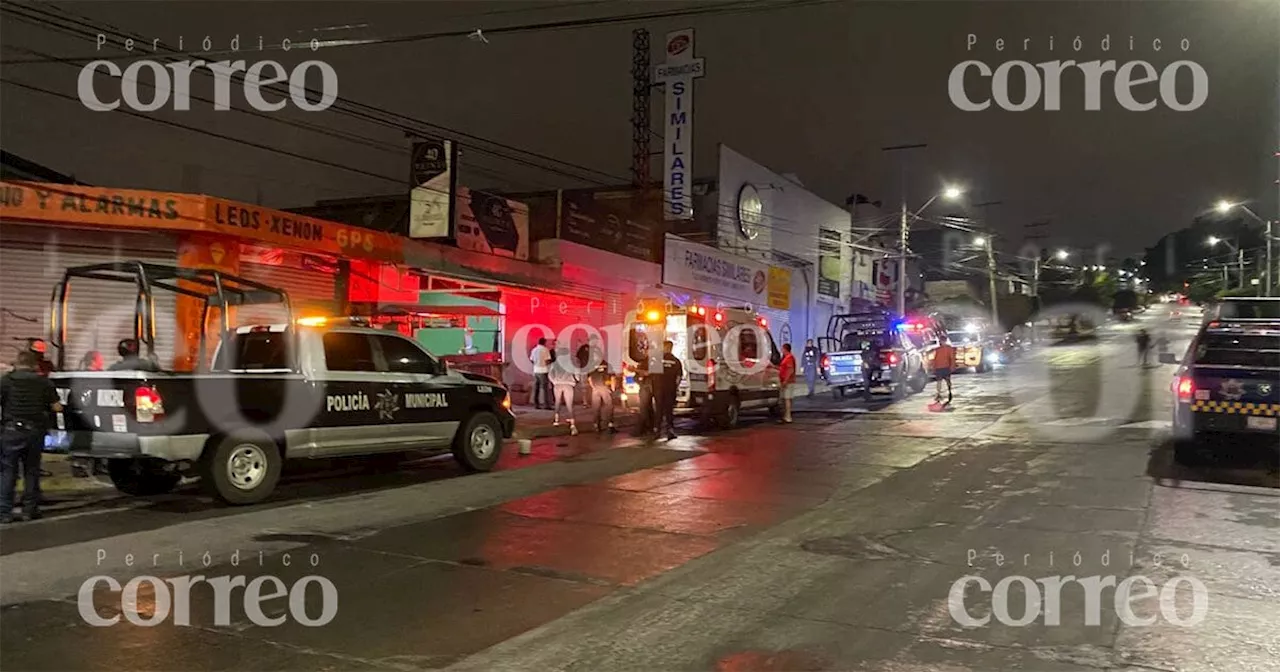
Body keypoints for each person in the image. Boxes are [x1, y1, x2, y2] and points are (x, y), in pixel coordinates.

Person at [0, 350, 62, 523]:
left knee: (7, 472)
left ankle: (4, 512)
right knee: (31, 471)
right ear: (35, 365)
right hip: (34, 431)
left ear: (16, 363)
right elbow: (57, 407)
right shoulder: (43, 382)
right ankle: (29, 510)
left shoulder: (6, 381)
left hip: (11, 430)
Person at [584, 337, 616, 433]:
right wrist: (613, 388)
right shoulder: (607, 364)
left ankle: (596, 425)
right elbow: (613, 377)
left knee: (596, 407)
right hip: (605, 388)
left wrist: (593, 387)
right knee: (609, 406)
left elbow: (589, 378)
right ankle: (610, 424)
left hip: (596, 389)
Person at [655, 340, 684, 440]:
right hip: (670, 389)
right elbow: (679, 377)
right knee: (669, 411)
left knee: (659, 410)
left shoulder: (658, 360)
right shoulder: (676, 361)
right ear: (671, 348)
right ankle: (670, 431)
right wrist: (675, 387)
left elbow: (652, 375)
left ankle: (657, 431)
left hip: (659, 389)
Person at [548, 348, 579, 435]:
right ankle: (573, 425)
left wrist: (554, 381)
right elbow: (577, 374)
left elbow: (550, 375)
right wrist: (576, 381)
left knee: (557, 402)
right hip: (568, 385)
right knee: (569, 404)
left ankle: (556, 420)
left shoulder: (554, 364)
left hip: (557, 384)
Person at [933, 334, 957, 406]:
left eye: (942, 341)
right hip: (939, 367)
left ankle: (949, 391)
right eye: (940, 341)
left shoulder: (949, 348)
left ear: (945, 341)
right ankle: (939, 394)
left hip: (946, 367)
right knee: (939, 382)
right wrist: (934, 367)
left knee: (947, 381)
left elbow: (952, 358)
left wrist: (952, 367)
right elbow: (935, 359)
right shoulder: (938, 349)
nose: (941, 342)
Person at [529, 337, 552, 409]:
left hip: (536, 370)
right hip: (543, 370)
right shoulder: (545, 350)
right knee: (545, 388)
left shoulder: (534, 350)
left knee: (536, 388)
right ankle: (547, 405)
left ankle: (536, 404)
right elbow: (547, 361)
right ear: (544, 343)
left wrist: (536, 364)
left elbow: (531, 360)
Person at [778, 343, 797, 423]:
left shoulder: (789, 358)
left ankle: (788, 417)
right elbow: (783, 368)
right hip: (786, 381)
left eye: (782, 349)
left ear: (785, 349)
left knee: (787, 399)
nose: (781, 350)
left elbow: (790, 370)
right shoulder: (786, 358)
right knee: (785, 399)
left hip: (788, 382)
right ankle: (786, 416)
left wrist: (785, 380)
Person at [861, 337, 883, 402]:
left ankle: (867, 395)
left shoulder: (874, 349)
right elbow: (864, 355)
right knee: (867, 382)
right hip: (869, 366)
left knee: (867, 382)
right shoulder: (873, 349)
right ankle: (867, 396)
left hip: (871, 365)